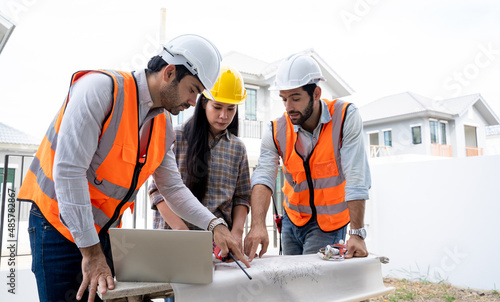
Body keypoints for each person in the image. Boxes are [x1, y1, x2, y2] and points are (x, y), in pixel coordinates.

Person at [17, 34, 250, 302]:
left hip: (99, 231)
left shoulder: (162, 126)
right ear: (170, 72)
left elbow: (172, 188)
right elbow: (69, 173)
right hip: (55, 225)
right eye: (193, 90)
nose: (193, 101)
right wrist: (92, 254)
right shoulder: (101, 90)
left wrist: (215, 225)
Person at [243, 53, 371, 259]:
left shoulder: (345, 117)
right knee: (289, 284)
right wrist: (258, 225)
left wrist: (356, 233)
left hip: (328, 225)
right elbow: (263, 177)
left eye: (295, 98)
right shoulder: (276, 130)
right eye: (284, 99)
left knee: (312, 285)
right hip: (291, 221)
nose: (288, 107)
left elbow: (356, 177)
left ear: (316, 93)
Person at [148, 66, 251, 252]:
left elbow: (242, 197)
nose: (223, 116)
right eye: (217, 107)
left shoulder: (237, 148)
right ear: (203, 103)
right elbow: (157, 191)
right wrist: (181, 230)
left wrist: (236, 232)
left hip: (217, 245)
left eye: (231, 109)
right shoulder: (174, 136)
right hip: (173, 240)